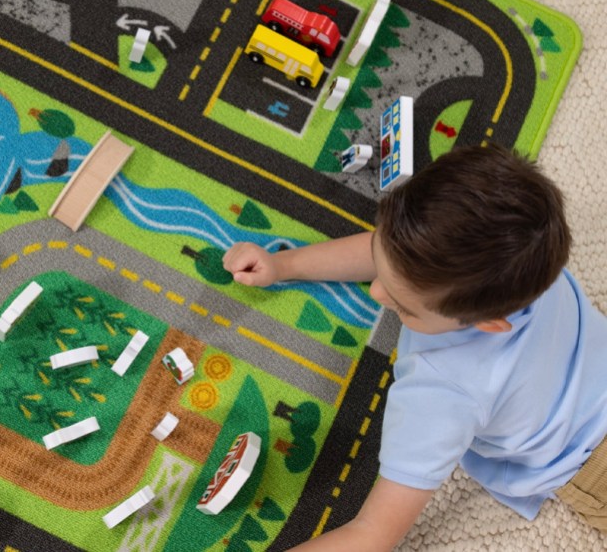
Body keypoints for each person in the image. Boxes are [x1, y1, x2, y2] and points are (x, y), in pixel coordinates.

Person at [222, 144, 607, 551]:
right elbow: (391, 252)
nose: (375, 292)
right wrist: (286, 265)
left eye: (404, 306)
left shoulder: (443, 391)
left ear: (489, 325)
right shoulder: (522, 248)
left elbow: (371, 534)